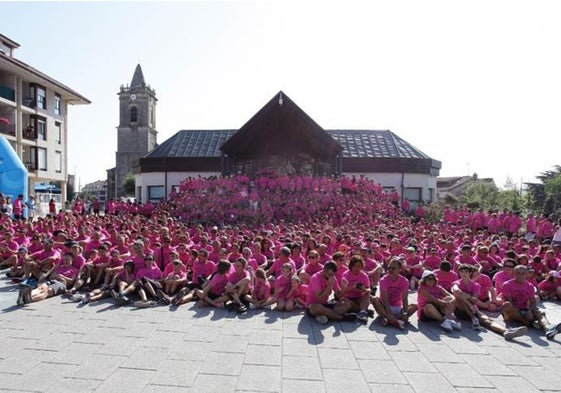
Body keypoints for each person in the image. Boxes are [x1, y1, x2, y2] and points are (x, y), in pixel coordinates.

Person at [502, 264, 561, 340]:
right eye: (518, 273)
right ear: (514, 273)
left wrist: (529, 311)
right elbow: (510, 302)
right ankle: (528, 322)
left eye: (523, 273)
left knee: (540, 313)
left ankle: (548, 329)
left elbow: (533, 302)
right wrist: (523, 313)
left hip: (524, 309)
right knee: (507, 305)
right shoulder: (507, 285)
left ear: (526, 274)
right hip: (513, 310)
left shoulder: (529, 286)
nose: (521, 275)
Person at [372, 257, 418, 329]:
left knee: (415, 306)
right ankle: (397, 320)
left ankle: (388, 319)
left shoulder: (405, 281)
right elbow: (385, 298)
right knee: (375, 299)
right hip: (385, 307)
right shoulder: (383, 280)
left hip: (397, 308)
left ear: (400, 270)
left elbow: (404, 298)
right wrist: (389, 312)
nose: (390, 270)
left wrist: (405, 313)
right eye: (389, 267)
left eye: (393, 268)